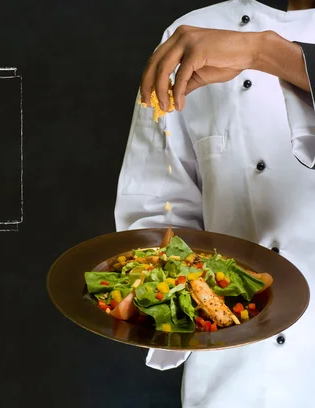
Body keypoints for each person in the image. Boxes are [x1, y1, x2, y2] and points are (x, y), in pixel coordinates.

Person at [115, 0, 315, 407]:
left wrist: (264, 53)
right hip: (234, 379)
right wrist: (166, 300)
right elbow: (158, 210)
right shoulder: (193, 34)